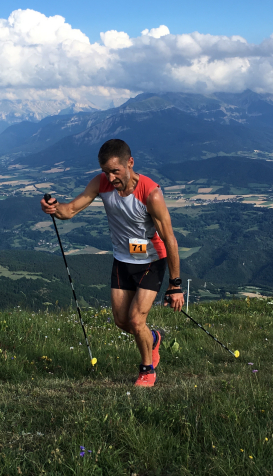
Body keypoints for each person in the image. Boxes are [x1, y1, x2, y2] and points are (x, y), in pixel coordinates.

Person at [40, 139, 185, 387]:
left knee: (136, 319)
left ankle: (147, 369)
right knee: (121, 321)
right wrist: (53, 209)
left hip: (152, 259)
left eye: (115, 171)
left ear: (130, 163)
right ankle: (153, 338)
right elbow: (70, 210)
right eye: (106, 171)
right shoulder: (101, 183)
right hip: (122, 259)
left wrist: (175, 285)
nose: (110, 177)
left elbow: (170, 239)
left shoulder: (151, 193)